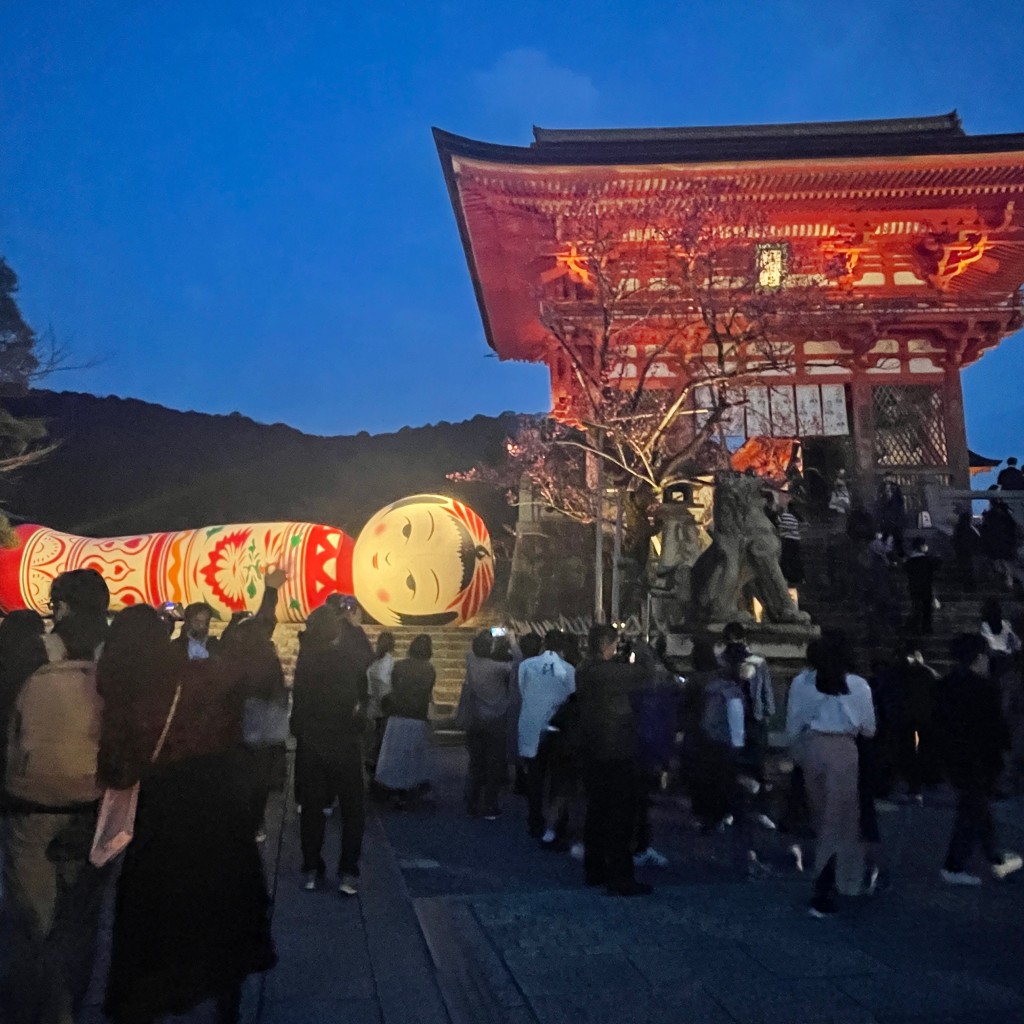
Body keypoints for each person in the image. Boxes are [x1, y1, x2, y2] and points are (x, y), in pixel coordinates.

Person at [97, 602, 277, 1024]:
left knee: (151, 925)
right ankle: (225, 1004)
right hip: (219, 812)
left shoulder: (125, 694)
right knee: (223, 918)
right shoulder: (198, 677)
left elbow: (118, 770)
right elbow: (250, 671)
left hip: (161, 821)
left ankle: (145, 1004)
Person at [1, 569, 110, 1024]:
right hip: (94, 808)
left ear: (60, 607)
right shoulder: (113, 657)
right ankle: (66, 1009)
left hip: (30, 810)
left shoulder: (28, 651)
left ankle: (31, 1009)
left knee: (32, 922)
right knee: (81, 922)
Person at [786, 629, 876, 918]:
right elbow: (869, 728)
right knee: (842, 819)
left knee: (822, 813)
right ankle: (834, 880)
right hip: (843, 750)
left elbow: (793, 722)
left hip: (812, 747)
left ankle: (830, 876)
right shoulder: (857, 686)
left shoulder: (803, 682)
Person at [290, 601, 370, 894]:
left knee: (312, 810)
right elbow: (366, 663)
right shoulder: (347, 658)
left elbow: (298, 703)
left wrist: (300, 732)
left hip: (312, 743)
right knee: (353, 810)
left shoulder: (307, 660)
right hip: (344, 741)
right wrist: (355, 626)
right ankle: (348, 871)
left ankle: (311, 867)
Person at [934, 633, 1022, 885]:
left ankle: (993, 855)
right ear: (980, 657)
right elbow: (995, 727)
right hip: (980, 759)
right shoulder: (985, 688)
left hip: (954, 757)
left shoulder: (944, 685)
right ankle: (954, 865)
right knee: (972, 810)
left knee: (977, 808)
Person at [576, 624, 651, 896]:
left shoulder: (585, 670)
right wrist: (641, 647)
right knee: (620, 817)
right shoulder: (608, 673)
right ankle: (621, 877)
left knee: (596, 813)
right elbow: (645, 673)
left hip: (592, 749)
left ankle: (594, 868)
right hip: (615, 750)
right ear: (607, 645)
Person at [517, 630, 576, 839]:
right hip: (557, 729)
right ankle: (556, 823)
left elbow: (523, 691)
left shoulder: (527, 666)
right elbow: (572, 698)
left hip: (531, 726)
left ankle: (535, 821)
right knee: (557, 779)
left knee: (535, 778)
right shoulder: (569, 670)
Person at [374, 634, 436, 807]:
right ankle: (410, 790)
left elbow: (394, 686)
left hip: (397, 714)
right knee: (412, 756)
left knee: (395, 755)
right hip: (416, 715)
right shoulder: (429, 669)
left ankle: (393, 789)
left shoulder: (400, 666)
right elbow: (427, 691)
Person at [459, 631, 513, 819]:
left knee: (476, 763)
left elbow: (472, 651)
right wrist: (511, 642)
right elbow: (515, 664)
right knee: (494, 764)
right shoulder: (499, 668)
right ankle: (490, 804)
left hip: (476, 718)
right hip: (496, 719)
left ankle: (472, 801)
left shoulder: (471, 663)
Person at [719, 622, 775, 788]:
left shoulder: (754, 662)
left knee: (747, 760)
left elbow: (765, 689)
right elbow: (766, 691)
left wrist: (767, 711)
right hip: (746, 715)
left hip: (742, 715)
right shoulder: (754, 662)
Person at [365, 631, 396, 769]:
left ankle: (375, 758)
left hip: (376, 700)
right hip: (381, 701)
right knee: (379, 733)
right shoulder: (385, 661)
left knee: (378, 732)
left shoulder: (377, 660)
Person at [981, 496, 1022, 591]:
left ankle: (1005, 584)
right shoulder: (1006, 516)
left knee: (1001, 568)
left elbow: (986, 532)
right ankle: (1008, 584)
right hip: (1005, 547)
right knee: (1007, 568)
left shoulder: (991, 517)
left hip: (997, 548)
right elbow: (1012, 530)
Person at [903, 536, 939, 635]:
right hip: (926, 588)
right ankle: (926, 628)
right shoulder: (928, 560)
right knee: (926, 609)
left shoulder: (910, 561)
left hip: (914, 588)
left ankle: (915, 629)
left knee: (916, 608)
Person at [874, 472, 905, 558]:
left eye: (890, 477)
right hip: (885, 517)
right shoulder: (881, 488)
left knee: (898, 538)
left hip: (895, 516)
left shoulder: (896, 487)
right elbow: (878, 501)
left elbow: (900, 502)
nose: (888, 479)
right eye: (887, 477)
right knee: (885, 537)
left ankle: (899, 556)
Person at [777, 498, 804, 587]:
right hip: (796, 540)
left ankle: (787, 577)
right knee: (796, 559)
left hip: (787, 540)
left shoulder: (784, 516)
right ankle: (799, 578)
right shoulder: (796, 518)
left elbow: (780, 526)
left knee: (786, 559)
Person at [952, 510, 981, 593]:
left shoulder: (958, 528)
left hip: (961, 552)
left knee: (964, 570)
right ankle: (970, 587)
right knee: (969, 570)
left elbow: (955, 540)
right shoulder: (970, 528)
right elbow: (976, 539)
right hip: (969, 553)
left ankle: (967, 587)